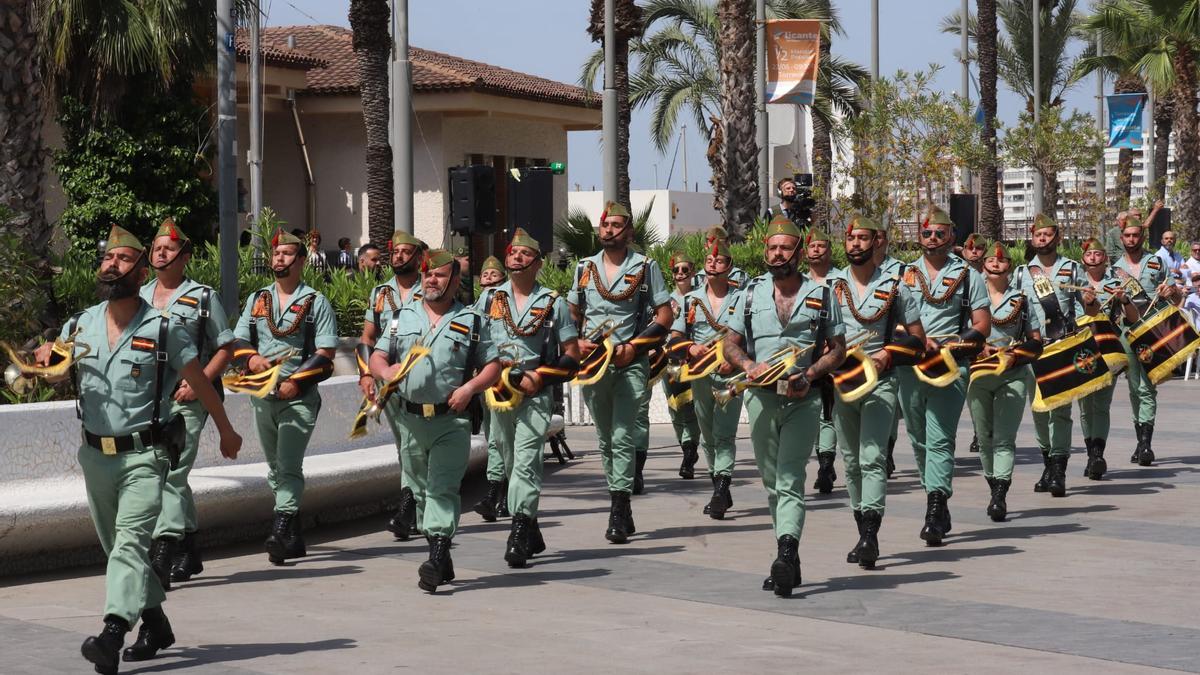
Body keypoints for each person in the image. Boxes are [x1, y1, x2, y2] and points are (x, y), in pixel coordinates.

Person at [37, 225, 241, 674]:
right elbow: (57, 373)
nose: (113, 265)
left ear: (141, 270)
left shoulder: (163, 327)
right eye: (108, 259)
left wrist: (226, 429)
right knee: (116, 550)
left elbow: (201, 381)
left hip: (144, 457)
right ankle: (156, 622)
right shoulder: (80, 323)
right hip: (94, 455)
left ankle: (112, 632)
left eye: (124, 259)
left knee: (129, 545)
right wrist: (46, 359)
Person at [722, 214, 847, 596]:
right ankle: (787, 559)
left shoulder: (822, 295)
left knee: (791, 478)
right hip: (760, 398)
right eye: (772, 248)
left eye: (785, 248)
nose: (778, 254)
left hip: (802, 399)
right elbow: (729, 343)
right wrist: (748, 365)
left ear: (798, 251)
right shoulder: (749, 293)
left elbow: (838, 349)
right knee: (771, 482)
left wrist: (810, 376)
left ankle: (786, 552)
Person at [370, 249, 502, 592]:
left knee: (442, 489)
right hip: (409, 419)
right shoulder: (401, 318)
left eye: (440, 275)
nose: (431, 279)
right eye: (428, 273)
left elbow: (493, 365)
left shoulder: (472, 320)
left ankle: (436, 555)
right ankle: (441, 558)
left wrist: (471, 388)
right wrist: (386, 371)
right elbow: (378, 355)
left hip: (451, 421)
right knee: (420, 491)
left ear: (455, 281)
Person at [230, 229, 339, 564]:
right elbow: (237, 340)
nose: (279, 259)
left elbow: (326, 352)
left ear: (301, 260)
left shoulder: (315, 301)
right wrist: (250, 359)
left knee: (288, 465)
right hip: (262, 395)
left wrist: (297, 384)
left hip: (298, 397)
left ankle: (279, 529)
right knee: (276, 468)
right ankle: (294, 535)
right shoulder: (256, 299)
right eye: (277, 254)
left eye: (287, 254)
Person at [568, 201, 672, 544]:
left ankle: (619, 505)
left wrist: (635, 347)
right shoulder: (584, 267)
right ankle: (620, 500)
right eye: (605, 225)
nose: (609, 230)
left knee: (623, 434)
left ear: (628, 232)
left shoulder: (645, 267)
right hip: (594, 364)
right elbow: (573, 312)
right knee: (604, 437)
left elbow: (664, 316)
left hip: (630, 360)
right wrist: (575, 343)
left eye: (616, 225)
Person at [140, 219, 236, 588]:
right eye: (156, 247)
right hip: (150, 401)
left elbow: (226, 347)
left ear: (185, 257)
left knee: (171, 473)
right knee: (170, 475)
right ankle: (191, 548)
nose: (160, 253)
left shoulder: (203, 297)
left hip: (188, 399)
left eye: (168, 248)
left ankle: (163, 552)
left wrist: (201, 384)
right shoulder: (141, 296)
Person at [477, 229, 579, 567]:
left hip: (534, 393)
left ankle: (519, 533)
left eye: (525, 254)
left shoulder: (553, 302)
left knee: (525, 463)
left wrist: (542, 376)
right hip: (498, 393)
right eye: (512, 253)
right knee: (507, 460)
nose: (516, 258)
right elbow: (474, 345)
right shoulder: (489, 300)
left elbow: (571, 355)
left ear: (537, 264)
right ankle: (532, 528)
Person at [831, 214, 925, 568]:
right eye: (851, 238)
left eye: (862, 238)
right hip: (842, 383)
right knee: (851, 461)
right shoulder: (831, 286)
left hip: (880, 382)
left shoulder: (898, 286)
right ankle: (861, 527)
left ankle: (871, 534)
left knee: (872, 457)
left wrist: (890, 353)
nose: (855, 243)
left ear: (877, 242)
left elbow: (917, 340)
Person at [897, 206, 990, 546]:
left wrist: (950, 344)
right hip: (911, 367)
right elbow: (890, 321)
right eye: (927, 233)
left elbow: (982, 326)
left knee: (939, 438)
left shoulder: (969, 276)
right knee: (919, 439)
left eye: (940, 233)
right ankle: (936, 495)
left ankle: (935, 508)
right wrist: (918, 339)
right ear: (918, 237)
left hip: (950, 367)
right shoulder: (903, 275)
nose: (932, 238)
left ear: (952, 237)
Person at [1015, 213, 1091, 497]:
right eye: (1038, 235)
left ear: (1057, 237)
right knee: (1038, 410)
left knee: (1060, 412)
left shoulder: (1071, 269)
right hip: (1034, 349)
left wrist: (1090, 310)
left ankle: (1059, 470)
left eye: (1048, 234)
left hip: (1063, 347)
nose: (1043, 239)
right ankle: (1047, 462)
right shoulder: (1021, 274)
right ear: (1032, 239)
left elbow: (1086, 308)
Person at [968, 242, 1042, 521]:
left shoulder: (1022, 299)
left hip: (1012, 375)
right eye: (991, 259)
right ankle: (992, 481)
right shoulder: (973, 298)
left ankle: (1000, 493)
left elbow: (1036, 342)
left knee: (1004, 438)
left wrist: (1014, 355)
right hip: (978, 374)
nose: (997, 263)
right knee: (985, 437)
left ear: (1010, 265)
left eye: (1002, 260)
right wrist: (977, 348)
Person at [359, 231, 426, 540]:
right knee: (406, 446)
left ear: (419, 257)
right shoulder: (381, 293)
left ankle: (414, 506)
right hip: (390, 381)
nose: (399, 256)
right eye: (395, 251)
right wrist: (366, 375)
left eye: (406, 251)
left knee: (415, 446)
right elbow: (368, 339)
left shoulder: (431, 287)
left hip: (423, 379)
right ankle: (412, 506)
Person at [672, 240, 742, 518]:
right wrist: (689, 348)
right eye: (710, 261)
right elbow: (676, 337)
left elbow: (749, 336)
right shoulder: (691, 300)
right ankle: (718, 486)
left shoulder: (742, 298)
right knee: (708, 434)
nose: (713, 264)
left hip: (730, 374)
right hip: (700, 373)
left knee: (725, 433)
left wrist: (736, 357)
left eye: (720, 261)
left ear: (729, 267)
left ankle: (721, 489)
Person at [1111, 216, 1182, 465]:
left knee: (1147, 387)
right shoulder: (1114, 268)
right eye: (1127, 236)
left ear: (1142, 237)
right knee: (1134, 388)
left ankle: (1145, 444)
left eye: (1136, 235)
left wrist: (1170, 291)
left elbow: (1175, 295)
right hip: (1126, 332)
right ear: (1122, 239)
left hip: (1152, 330)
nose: (1132, 239)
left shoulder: (1156, 262)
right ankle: (1139, 439)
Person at [1077, 238, 1137, 481]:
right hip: (1080, 349)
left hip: (1107, 349)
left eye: (1098, 254)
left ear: (1105, 257)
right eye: (1089, 254)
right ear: (1083, 259)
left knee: (1101, 404)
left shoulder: (1117, 282)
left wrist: (1124, 299)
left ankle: (1097, 455)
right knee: (1084, 407)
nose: (1093, 257)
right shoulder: (1075, 282)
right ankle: (1091, 452)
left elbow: (1133, 316)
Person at [473, 254, 512, 521]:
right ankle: (496, 492)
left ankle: (504, 492)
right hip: (487, 375)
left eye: (494, 275)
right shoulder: (478, 304)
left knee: (503, 437)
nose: (489, 280)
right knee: (493, 435)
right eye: (485, 276)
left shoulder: (508, 300)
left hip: (508, 375)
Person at [658, 251, 702, 480]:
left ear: (693, 271)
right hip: (670, 361)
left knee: (691, 407)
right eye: (677, 270)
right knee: (675, 407)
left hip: (695, 360)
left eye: (686, 269)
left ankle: (690, 449)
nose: (681, 273)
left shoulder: (701, 297)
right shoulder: (666, 301)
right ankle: (685, 445)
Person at [802, 228, 840, 493]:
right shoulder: (800, 283)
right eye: (812, 246)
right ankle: (823, 460)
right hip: (808, 356)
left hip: (835, 353)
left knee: (828, 412)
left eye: (821, 246)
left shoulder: (841, 281)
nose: (816, 249)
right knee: (813, 411)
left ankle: (826, 465)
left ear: (830, 250)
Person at [875, 225, 907, 478]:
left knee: (893, 406)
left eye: (879, 237)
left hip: (893, 346)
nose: (875, 242)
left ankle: (887, 448)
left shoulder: (900, 270)